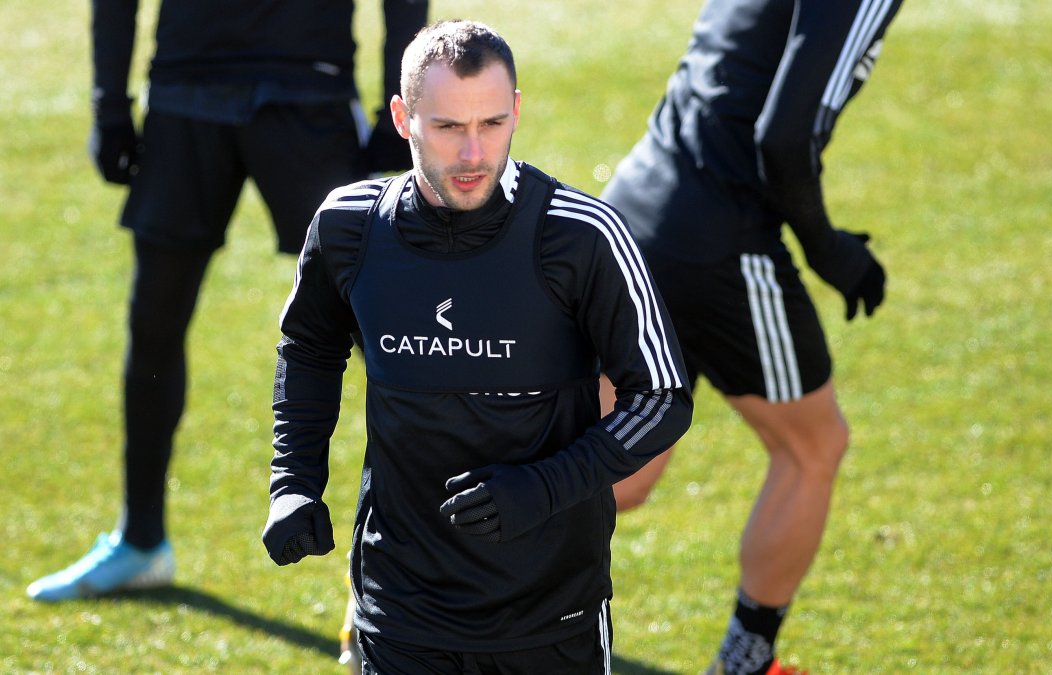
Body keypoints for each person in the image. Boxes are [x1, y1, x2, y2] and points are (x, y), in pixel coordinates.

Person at [261, 20, 692, 673]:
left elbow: (662, 397)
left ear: (516, 109)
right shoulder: (350, 229)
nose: (473, 153)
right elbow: (310, 348)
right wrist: (294, 481)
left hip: (551, 622)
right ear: (404, 118)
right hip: (399, 614)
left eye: (491, 124)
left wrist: (544, 486)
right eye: (448, 128)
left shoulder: (580, 237)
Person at [25, 0, 429, 603]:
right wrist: (108, 101)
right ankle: (140, 542)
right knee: (154, 323)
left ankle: (435, 552)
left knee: (383, 327)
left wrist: (397, 111)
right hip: (185, 90)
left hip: (308, 90)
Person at [599, 0, 905, 672]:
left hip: (636, 208)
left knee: (614, 476)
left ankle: (407, 579)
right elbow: (783, 138)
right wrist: (830, 251)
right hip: (722, 238)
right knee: (813, 444)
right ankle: (745, 661)